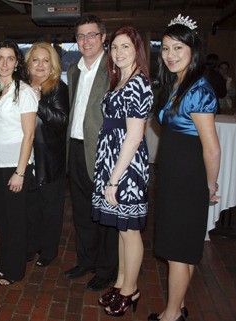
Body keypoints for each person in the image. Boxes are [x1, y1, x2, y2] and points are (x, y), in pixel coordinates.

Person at [149, 15, 221, 321]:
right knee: (184, 247)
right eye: (165, 49)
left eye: (178, 47)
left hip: (188, 179)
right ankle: (177, 308)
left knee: (178, 251)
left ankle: (170, 315)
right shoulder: (178, 82)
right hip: (173, 175)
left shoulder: (200, 89)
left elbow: (212, 147)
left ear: (193, 49)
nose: (170, 55)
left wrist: (210, 184)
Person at [91, 26, 153, 317]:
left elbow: (134, 136)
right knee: (121, 227)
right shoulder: (121, 80)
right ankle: (120, 283)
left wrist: (114, 179)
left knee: (130, 232)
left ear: (137, 50)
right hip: (112, 163)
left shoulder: (138, 82)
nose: (118, 52)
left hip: (126, 168)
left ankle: (131, 290)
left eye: (125, 46)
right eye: (114, 47)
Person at [63, 14, 119, 292]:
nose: (86, 40)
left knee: (106, 215)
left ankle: (107, 270)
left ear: (103, 37)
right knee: (82, 212)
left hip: (103, 152)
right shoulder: (73, 71)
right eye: (81, 36)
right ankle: (86, 261)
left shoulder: (114, 68)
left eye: (91, 35)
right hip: (75, 148)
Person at [0, 39, 38, 285]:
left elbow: (29, 135)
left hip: (16, 164)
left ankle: (14, 270)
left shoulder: (24, 92)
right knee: (2, 219)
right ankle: (3, 264)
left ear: (16, 63)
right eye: (0, 57)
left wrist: (20, 172)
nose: (4, 63)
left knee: (15, 220)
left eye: (10, 58)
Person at [24, 42, 69, 267]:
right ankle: (31, 246)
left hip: (49, 160)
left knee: (50, 209)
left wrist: (38, 100)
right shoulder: (20, 87)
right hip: (25, 158)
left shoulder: (58, 87)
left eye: (45, 60)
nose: (40, 65)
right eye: (35, 60)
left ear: (53, 65)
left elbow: (61, 121)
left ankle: (48, 251)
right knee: (30, 207)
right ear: (28, 63)